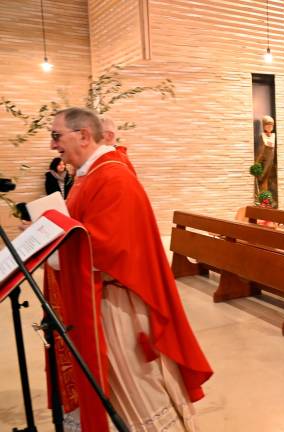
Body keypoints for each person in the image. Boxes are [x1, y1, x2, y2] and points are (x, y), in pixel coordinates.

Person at [47, 107, 212, 431]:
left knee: (138, 388)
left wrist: (53, 242)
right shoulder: (91, 174)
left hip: (118, 303)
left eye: (56, 136)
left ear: (83, 135)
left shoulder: (112, 176)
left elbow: (109, 248)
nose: (53, 146)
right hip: (101, 299)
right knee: (123, 389)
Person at [255, 115, 276, 195]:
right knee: (263, 178)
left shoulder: (274, 136)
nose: (269, 127)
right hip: (264, 162)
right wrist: (257, 162)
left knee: (270, 179)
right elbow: (260, 152)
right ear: (264, 126)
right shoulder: (262, 136)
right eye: (267, 125)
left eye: (271, 125)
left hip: (272, 163)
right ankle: (263, 196)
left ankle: (269, 196)